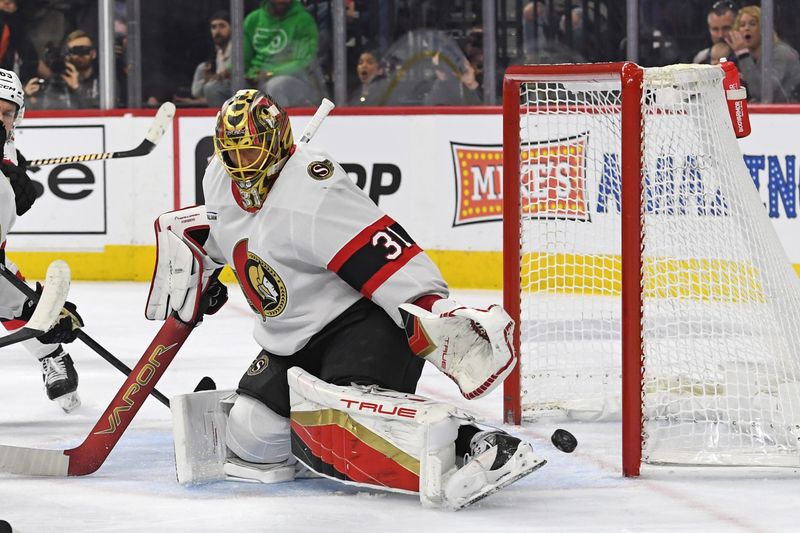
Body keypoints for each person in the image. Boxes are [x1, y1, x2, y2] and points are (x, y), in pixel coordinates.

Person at [149, 89, 542, 508]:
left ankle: (482, 444)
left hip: (363, 320)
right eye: (234, 154)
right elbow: (231, 228)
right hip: (294, 337)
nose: (243, 167)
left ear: (279, 141)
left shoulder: (316, 193)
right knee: (252, 434)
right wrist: (203, 258)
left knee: (347, 419)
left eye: (252, 152)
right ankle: (320, 443)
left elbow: (386, 256)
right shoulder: (217, 178)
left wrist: (431, 311)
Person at [0, 68, 83, 412]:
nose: (2, 119)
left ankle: (51, 354)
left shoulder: (8, 152)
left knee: (21, 305)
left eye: (7, 113)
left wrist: (10, 173)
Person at [243, 0, 325, 107]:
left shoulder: (304, 21)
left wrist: (270, 73)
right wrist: (232, 71)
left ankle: (280, 123)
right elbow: (242, 58)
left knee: (276, 86)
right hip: (256, 79)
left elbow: (305, 61)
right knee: (216, 89)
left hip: (296, 80)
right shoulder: (253, 19)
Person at [726, 5, 800, 103]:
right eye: (742, 25)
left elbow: (763, 94)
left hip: (789, 114)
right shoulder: (742, 57)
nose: (746, 28)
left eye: (752, 24)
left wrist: (742, 54)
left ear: (764, 28)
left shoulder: (782, 53)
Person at [24, 30, 99, 109]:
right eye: (71, 51)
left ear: (93, 54)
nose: (76, 55)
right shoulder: (55, 83)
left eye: (82, 50)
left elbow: (100, 115)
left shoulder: (104, 84)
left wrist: (77, 88)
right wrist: (28, 98)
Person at [177, 10, 232, 108]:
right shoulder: (212, 59)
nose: (217, 31)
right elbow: (197, 93)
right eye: (214, 27)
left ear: (231, 28)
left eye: (222, 26)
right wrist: (206, 81)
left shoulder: (238, 53)